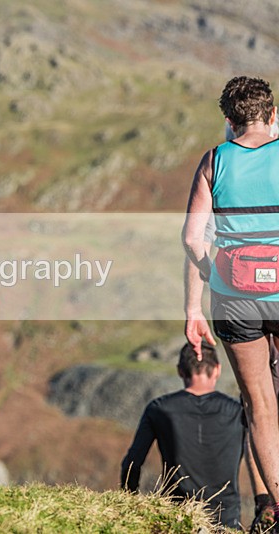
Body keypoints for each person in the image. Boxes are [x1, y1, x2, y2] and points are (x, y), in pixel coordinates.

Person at [183, 76, 279, 528]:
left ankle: (276, 504)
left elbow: (191, 238)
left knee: (259, 403)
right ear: (272, 114)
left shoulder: (214, 160)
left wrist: (213, 273)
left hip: (235, 294)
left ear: (228, 120)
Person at [120, 342, 244, 529]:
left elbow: (132, 463)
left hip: (177, 517)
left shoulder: (160, 409)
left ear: (180, 371)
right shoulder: (238, 411)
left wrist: (129, 503)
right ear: (217, 370)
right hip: (226, 520)